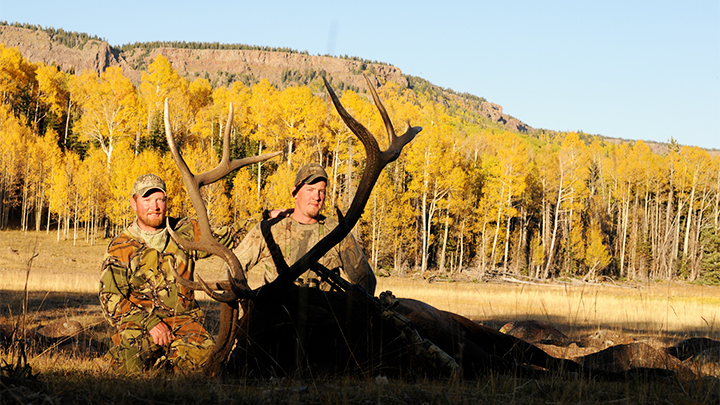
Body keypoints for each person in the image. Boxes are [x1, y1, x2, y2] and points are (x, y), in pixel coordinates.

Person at [99, 174, 238, 372]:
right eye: (147, 200)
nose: (154, 206)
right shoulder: (120, 247)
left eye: (160, 199)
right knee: (128, 369)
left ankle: (169, 365)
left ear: (166, 202)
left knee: (209, 370)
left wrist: (267, 219)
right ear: (134, 203)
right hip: (140, 324)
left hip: (185, 322)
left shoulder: (185, 230)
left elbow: (228, 237)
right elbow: (109, 299)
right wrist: (151, 323)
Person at [233, 163, 376, 295]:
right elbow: (233, 268)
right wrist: (250, 301)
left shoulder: (338, 232)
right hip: (276, 316)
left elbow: (366, 279)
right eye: (310, 189)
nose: (317, 197)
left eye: (321, 191)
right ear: (295, 193)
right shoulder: (269, 229)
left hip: (324, 317)